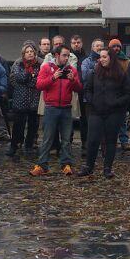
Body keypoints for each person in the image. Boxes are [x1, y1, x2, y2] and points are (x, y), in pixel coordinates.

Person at [79, 48, 130, 178]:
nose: (101, 59)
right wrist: (92, 101)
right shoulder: (94, 73)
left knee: (110, 141)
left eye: (104, 57)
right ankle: (89, 167)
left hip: (114, 113)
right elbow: (87, 90)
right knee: (92, 140)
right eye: (100, 57)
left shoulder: (121, 75)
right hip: (96, 111)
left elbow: (128, 93)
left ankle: (107, 168)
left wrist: (116, 102)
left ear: (111, 58)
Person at [32, 45, 83, 176]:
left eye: (68, 55)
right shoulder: (46, 68)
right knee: (47, 139)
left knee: (66, 139)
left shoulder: (71, 69)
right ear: (57, 55)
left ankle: (66, 164)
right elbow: (39, 85)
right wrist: (53, 77)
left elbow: (78, 88)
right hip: (51, 108)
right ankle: (42, 165)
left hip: (66, 108)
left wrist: (72, 80)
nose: (67, 58)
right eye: (64, 55)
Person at [9, 43, 41, 157]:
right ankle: (14, 146)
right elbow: (18, 78)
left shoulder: (39, 65)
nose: (29, 54)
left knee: (32, 126)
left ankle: (29, 146)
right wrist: (30, 74)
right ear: (23, 54)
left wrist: (30, 78)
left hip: (34, 99)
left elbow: (38, 81)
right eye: (27, 52)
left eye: (31, 52)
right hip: (20, 99)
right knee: (18, 125)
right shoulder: (18, 64)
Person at [108, 39, 130, 150]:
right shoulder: (106, 58)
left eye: (118, 46)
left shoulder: (126, 61)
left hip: (121, 92)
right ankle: (109, 142)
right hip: (108, 92)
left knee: (122, 118)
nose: (116, 48)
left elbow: (129, 77)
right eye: (114, 46)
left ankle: (124, 140)